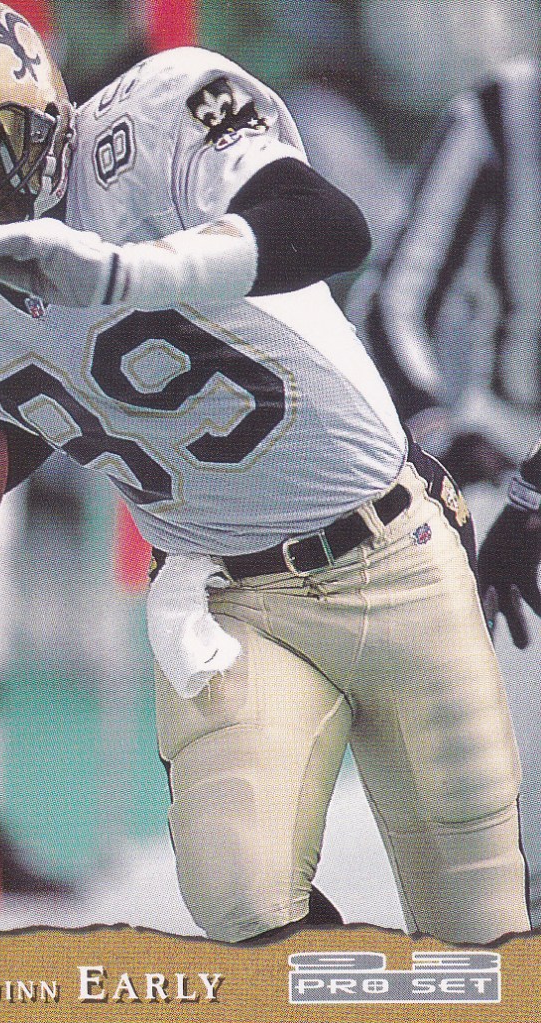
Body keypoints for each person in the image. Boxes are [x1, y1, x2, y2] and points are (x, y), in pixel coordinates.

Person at [0, 0, 531, 945]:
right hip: (225, 595)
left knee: (480, 926)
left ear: (38, 120)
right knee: (239, 896)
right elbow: (44, 402)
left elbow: (327, 225)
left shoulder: (153, 121)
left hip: (395, 541)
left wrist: (130, 273)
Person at [350, 57, 541, 926]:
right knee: (509, 816)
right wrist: (437, 433)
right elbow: (393, 299)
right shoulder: (506, 111)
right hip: (509, 454)